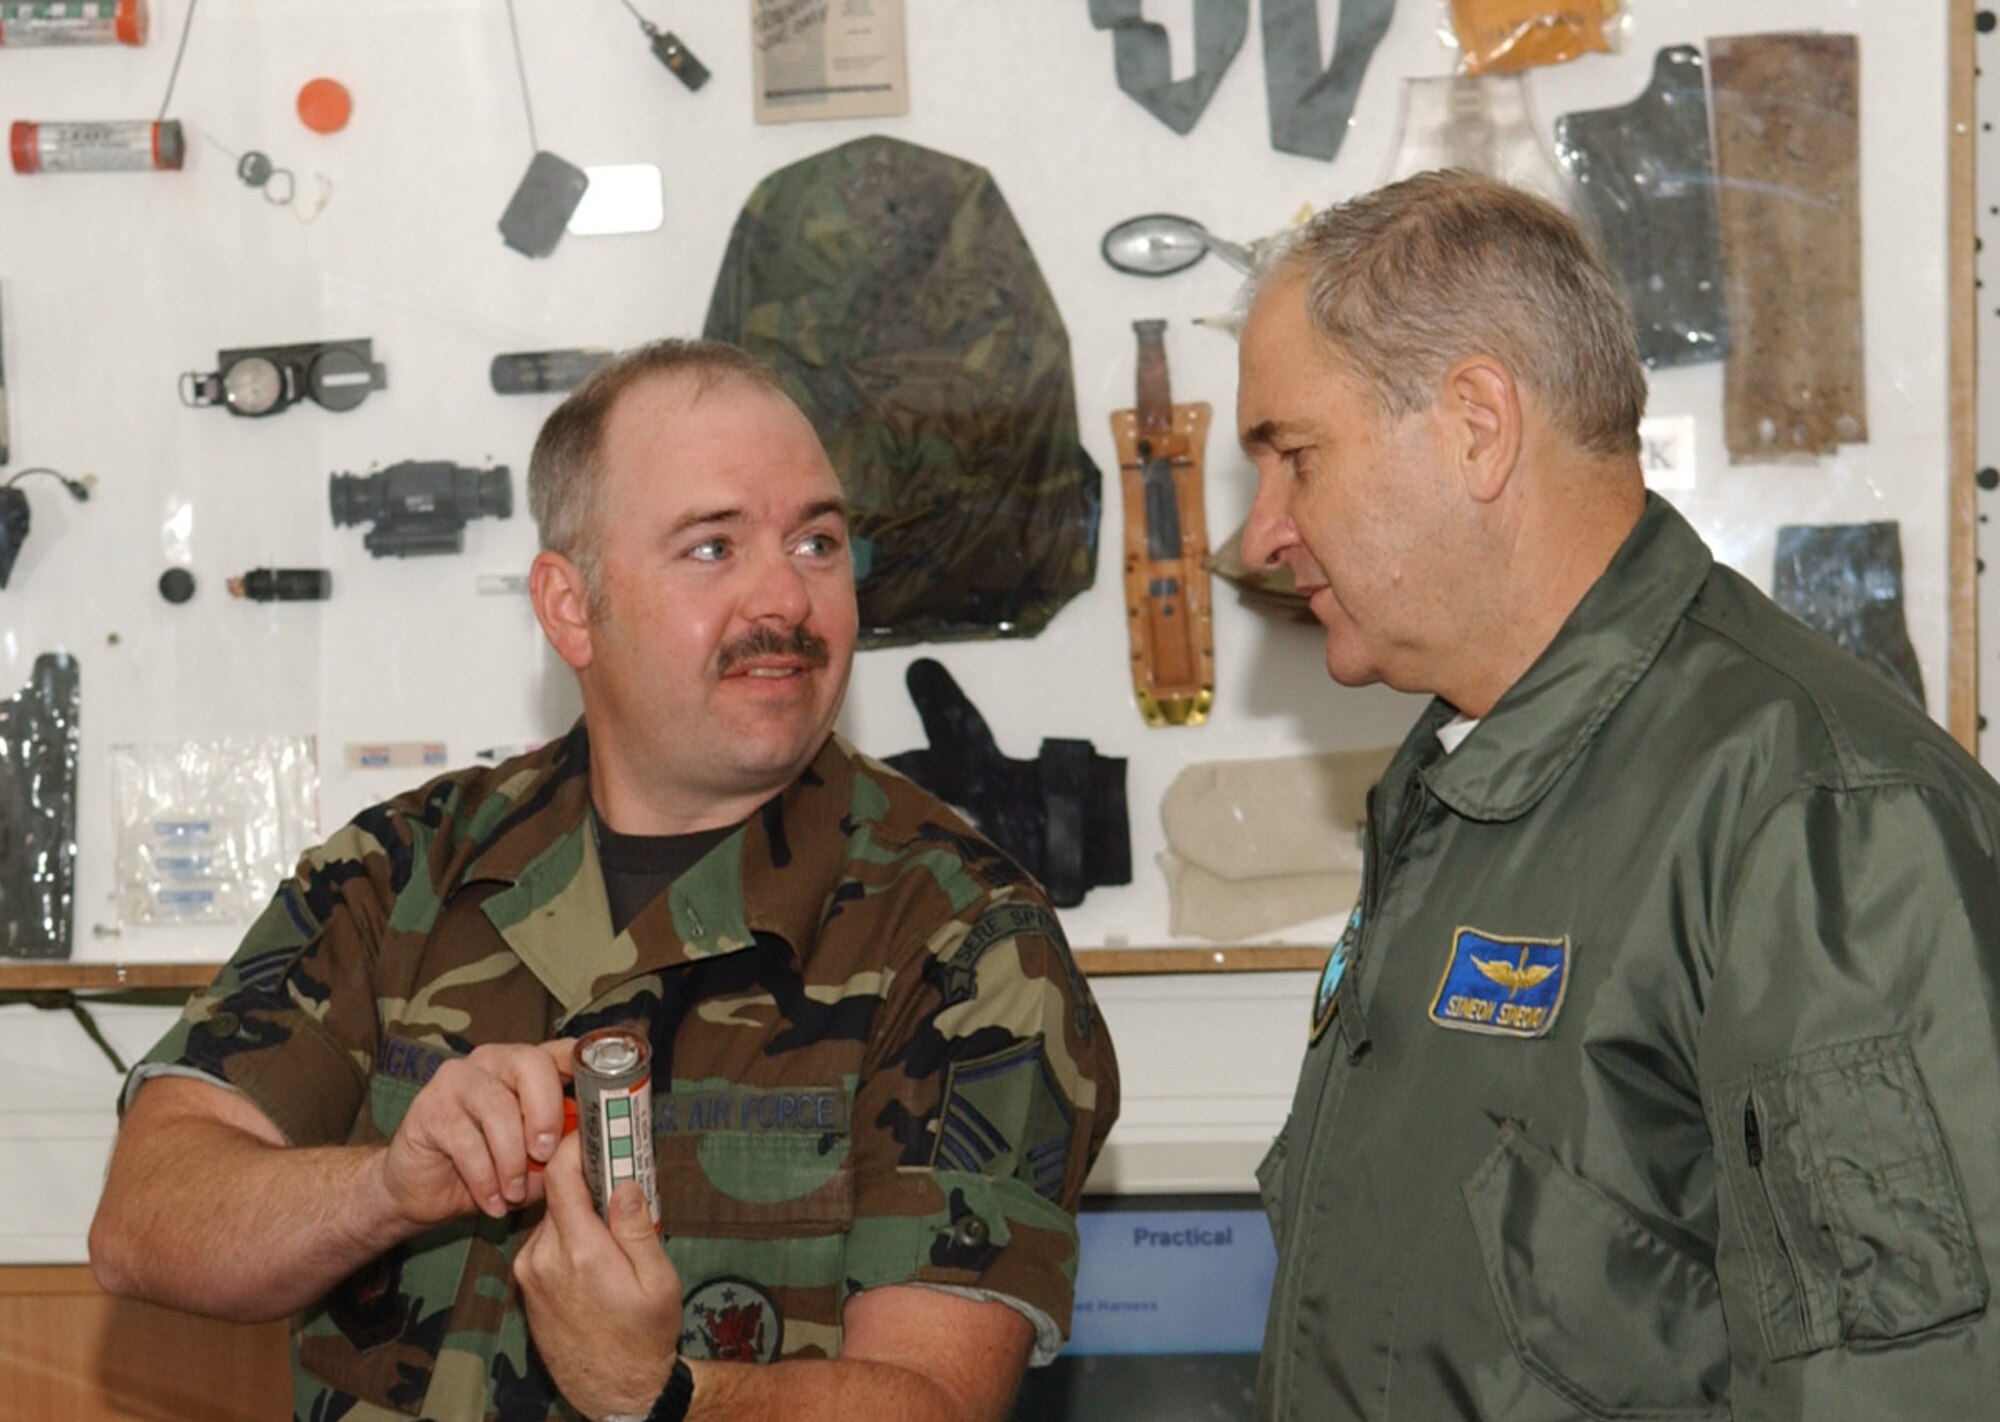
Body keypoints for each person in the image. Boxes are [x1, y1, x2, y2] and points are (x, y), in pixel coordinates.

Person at [88, 339, 1118, 1422]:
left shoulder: (964, 939)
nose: (786, 597)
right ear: (571, 606)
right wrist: (383, 1186)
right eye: (712, 547)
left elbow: (935, 1401)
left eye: (816, 541)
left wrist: (660, 1395)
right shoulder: (401, 872)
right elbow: (144, 1220)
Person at [1236, 168, 2000, 1418]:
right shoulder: (1469, 787)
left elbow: (1909, 1386)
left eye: (1293, 456)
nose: (1264, 531)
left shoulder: (1817, 818)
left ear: (1475, 426)